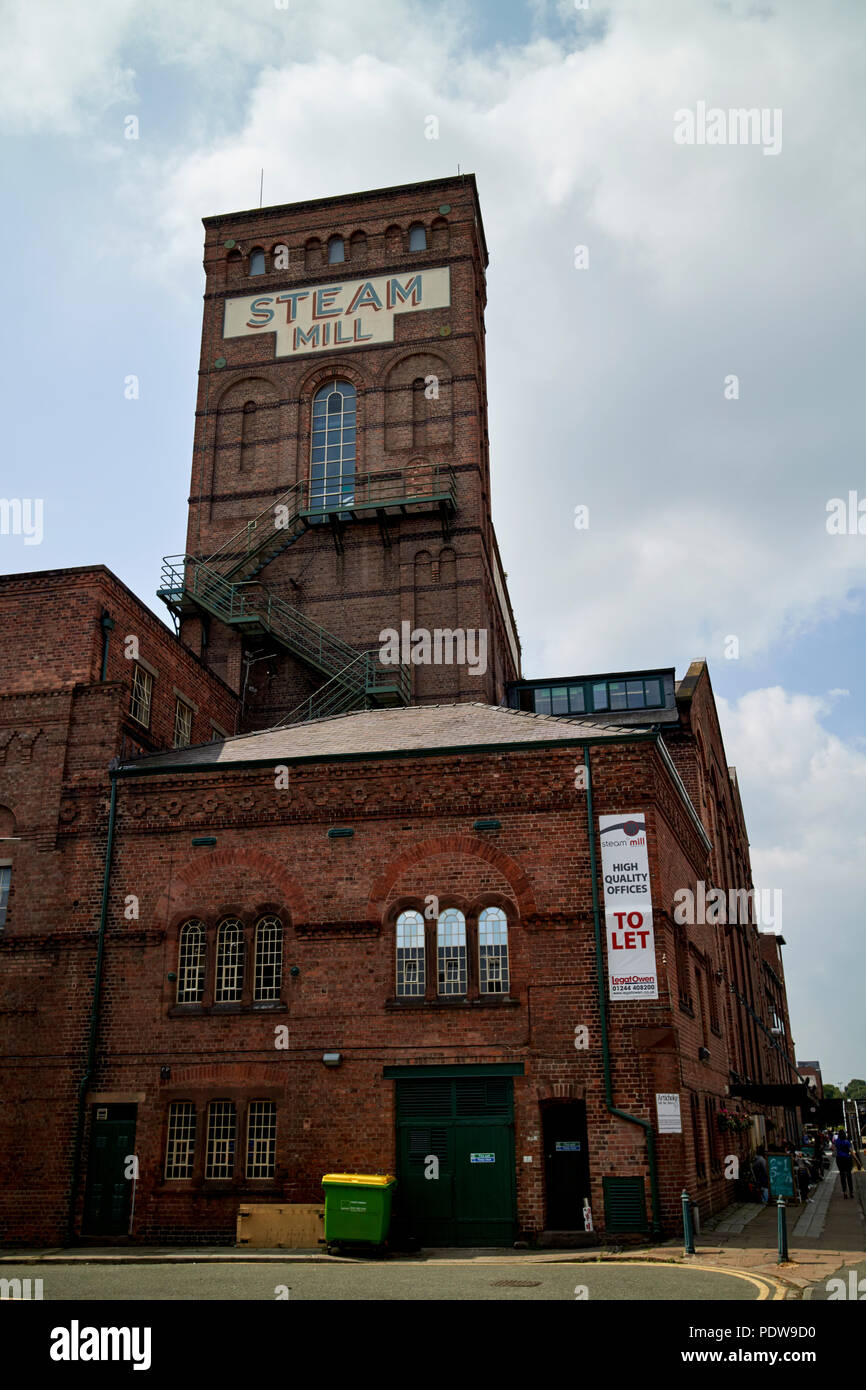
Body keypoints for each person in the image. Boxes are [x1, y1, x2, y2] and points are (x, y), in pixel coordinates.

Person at [833, 1129, 855, 1198]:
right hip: (847, 1159)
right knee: (849, 1175)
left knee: (842, 1175)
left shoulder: (837, 1141)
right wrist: (856, 1159)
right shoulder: (847, 1142)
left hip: (839, 1159)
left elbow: (834, 1148)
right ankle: (851, 1192)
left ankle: (845, 1192)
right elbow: (851, 1151)